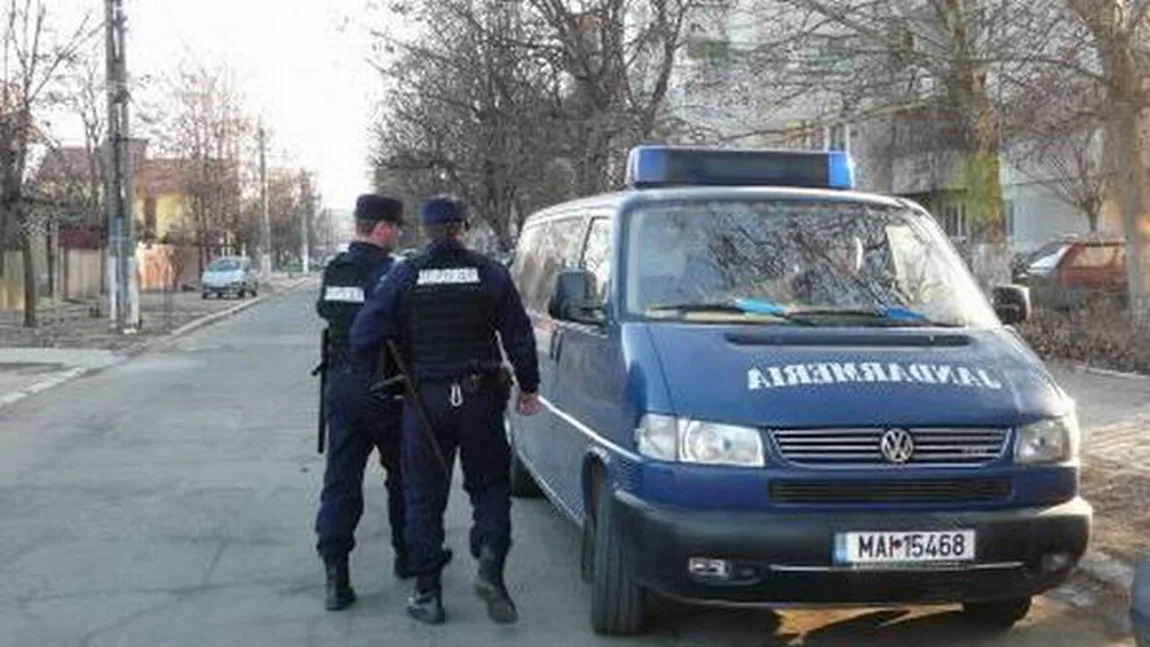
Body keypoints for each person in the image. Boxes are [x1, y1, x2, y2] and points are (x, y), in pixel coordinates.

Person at [349, 194, 541, 626]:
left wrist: (379, 373)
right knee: (490, 486)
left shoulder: (405, 275)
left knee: (423, 497)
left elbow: (363, 336)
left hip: (426, 401)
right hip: (480, 400)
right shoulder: (491, 273)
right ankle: (491, 566)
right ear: (463, 227)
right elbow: (519, 336)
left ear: (425, 230)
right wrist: (528, 387)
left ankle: (427, 594)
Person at [314, 193, 452, 611]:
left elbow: (326, 311)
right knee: (405, 478)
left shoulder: (335, 270)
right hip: (387, 386)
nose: (398, 235)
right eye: (395, 227)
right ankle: (408, 555)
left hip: (341, 386)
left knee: (341, 480)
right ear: (382, 228)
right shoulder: (393, 274)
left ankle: (336, 575)